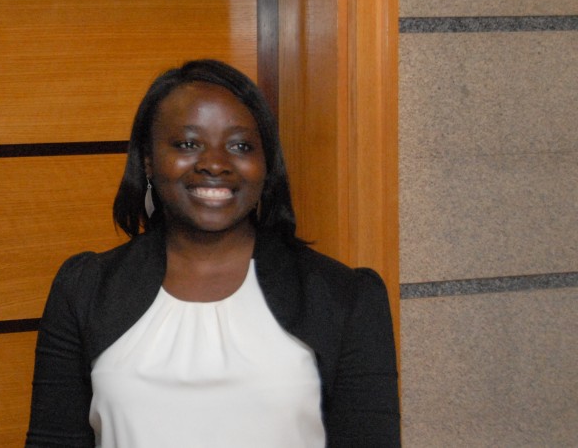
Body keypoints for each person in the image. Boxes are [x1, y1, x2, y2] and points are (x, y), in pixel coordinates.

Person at [26, 59, 399, 447]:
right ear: (149, 161)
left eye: (240, 146)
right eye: (188, 144)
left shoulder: (345, 297)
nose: (215, 164)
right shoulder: (85, 290)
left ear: (266, 165)